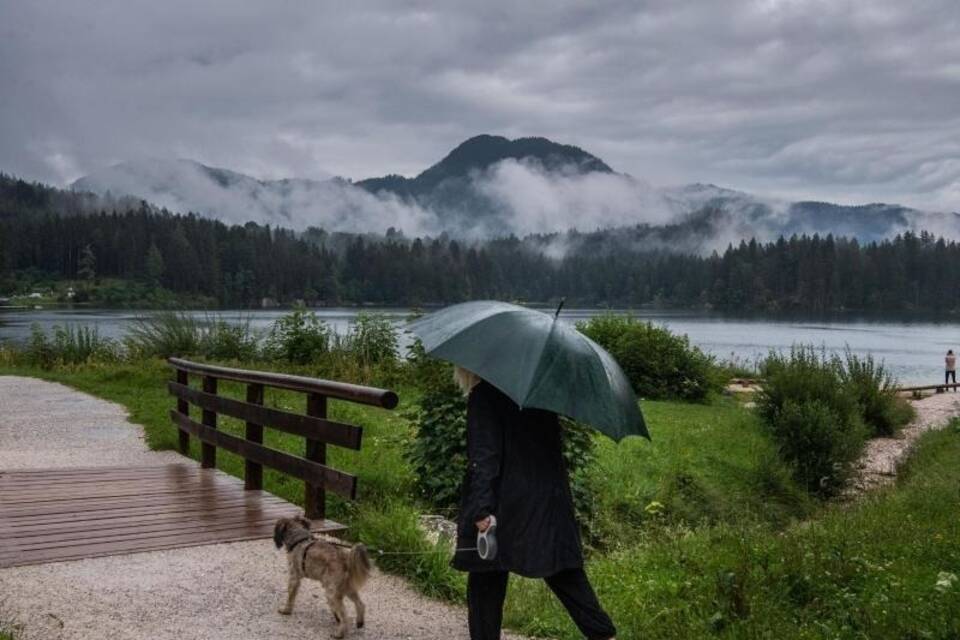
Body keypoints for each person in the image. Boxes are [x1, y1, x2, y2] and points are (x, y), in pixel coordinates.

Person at [451, 366, 617, 640]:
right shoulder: (539, 394)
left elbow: (484, 458)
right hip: (547, 500)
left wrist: (480, 510)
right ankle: (604, 636)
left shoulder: (485, 395)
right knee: (564, 572)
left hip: (502, 503)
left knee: (485, 581)